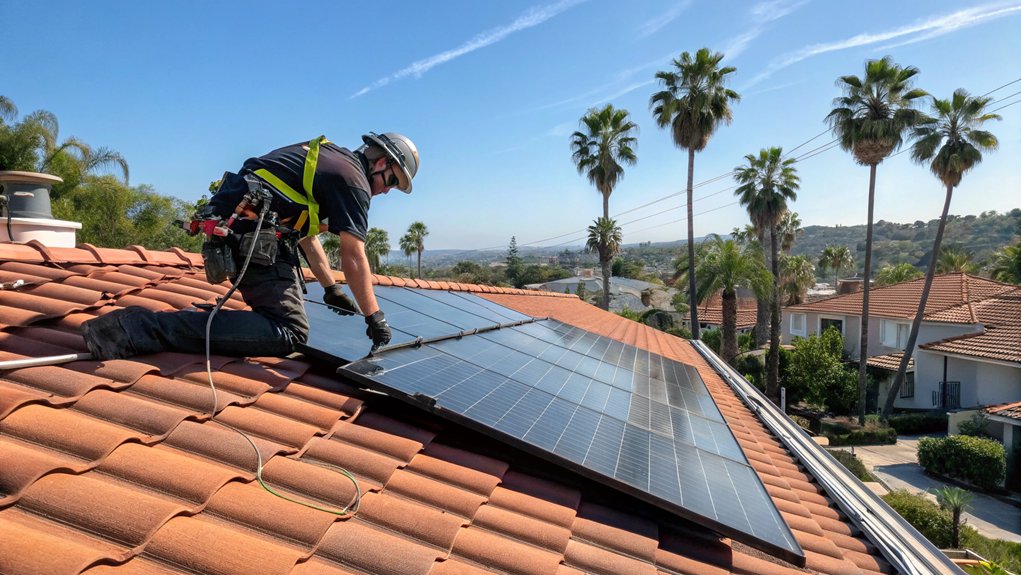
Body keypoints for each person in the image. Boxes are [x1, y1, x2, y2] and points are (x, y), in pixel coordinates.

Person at [81, 132, 419, 360]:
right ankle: (133, 329)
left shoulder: (333, 162)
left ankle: (183, 324)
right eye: (391, 181)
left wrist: (330, 288)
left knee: (283, 318)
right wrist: (374, 316)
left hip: (247, 232)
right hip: (250, 237)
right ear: (380, 163)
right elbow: (354, 255)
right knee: (289, 331)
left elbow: (305, 233)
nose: (387, 191)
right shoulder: (353, 182)